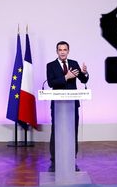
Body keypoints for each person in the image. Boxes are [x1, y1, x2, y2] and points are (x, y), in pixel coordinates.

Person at [46, 41, 89, 172]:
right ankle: (54, 161)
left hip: (72, 104)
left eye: (65, 49)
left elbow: (83, 80)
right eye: (60, 50)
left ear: (68, 51)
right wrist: (66, 77)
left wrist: (85, 73)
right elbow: (50, 82)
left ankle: (72, 159)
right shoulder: (51, 65)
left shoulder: (74, 63)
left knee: (72, 131)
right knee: (56, 131)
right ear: (57, 51)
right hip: (58, 104)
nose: (63, 52)